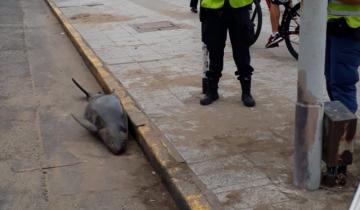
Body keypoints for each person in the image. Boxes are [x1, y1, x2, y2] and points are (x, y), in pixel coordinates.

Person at [200, 0, 256, 107]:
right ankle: (212, 90)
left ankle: (246, 92)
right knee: (215, 49)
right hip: (213, 7)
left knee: (242, 50)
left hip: (239, 5)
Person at [325, 0, 360, 113]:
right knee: (331, 78)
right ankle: (338, 120)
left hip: (350, 29)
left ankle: (345, 126)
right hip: (332, 27)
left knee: (342, 82)